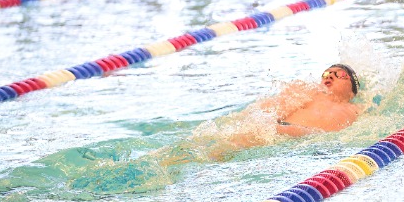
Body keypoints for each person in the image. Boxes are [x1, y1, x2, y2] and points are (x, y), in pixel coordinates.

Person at [152, 64, 363, 165]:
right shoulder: (308, 93)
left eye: (339, 74)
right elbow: (268, 109)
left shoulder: (357, 109)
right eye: (326, 73)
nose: (329, 76)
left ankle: (175, 161)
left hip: (309, 141)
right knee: (221, 142)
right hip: (277, 132)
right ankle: (172, 161)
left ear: (352, 88)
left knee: (226, 146)